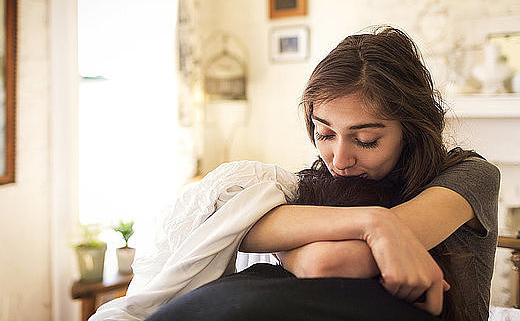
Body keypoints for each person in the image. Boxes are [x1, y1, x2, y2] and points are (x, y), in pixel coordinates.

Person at [143, 26, 500, 321]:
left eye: (366, 140)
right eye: (325, 134)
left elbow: (328, 261)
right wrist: (374, 223)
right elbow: (235, 225)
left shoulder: (470, 176)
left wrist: (305, 240)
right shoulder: (314, 182)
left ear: (411, 131)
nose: (339, 160)